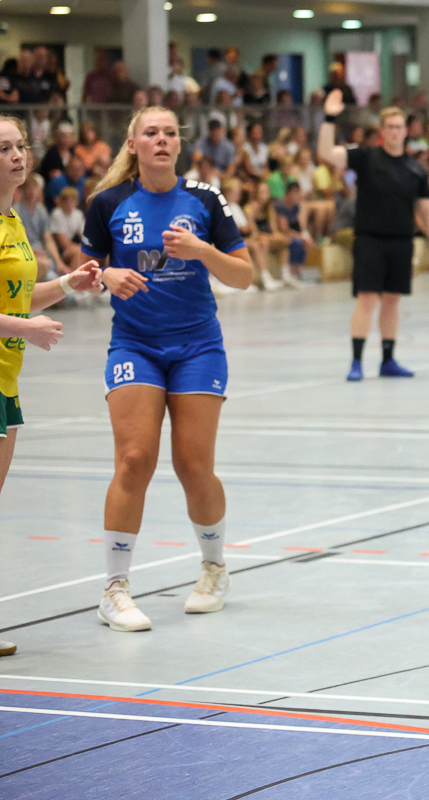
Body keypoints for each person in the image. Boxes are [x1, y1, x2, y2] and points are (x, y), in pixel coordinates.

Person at [82, 106, 253, 632]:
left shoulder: (205, 199)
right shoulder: (108, 203)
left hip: (198, 346)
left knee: (193, 465)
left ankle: (214, 569)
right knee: (134, 458)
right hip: (135, 345)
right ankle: (114, 589)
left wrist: (202, 250)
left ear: (180, 144)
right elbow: (87, 270)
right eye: (151, 132)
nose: (161, 140)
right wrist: (106, 276)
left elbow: (244, 275)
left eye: (170, 133)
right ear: (133, 144)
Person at [0, 115, 102, 657]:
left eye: (19, 145)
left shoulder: (14, 218)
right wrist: (25, 329)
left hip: (6, 379)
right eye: (3, 149)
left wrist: (67, 282)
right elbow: (16, 315)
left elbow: (19, 296)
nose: (17, 155)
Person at [318, 90, 429, 381]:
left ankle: (388, 359)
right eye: (390, 127)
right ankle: (356, 361)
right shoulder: (365, 157)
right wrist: (329, 118)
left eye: (399, 127)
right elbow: (326, 153)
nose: (395, 132)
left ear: (406, 131)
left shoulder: (416, 168)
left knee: (392, 300)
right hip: (370, 240)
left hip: (401, 241)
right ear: (383, 131)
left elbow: (427, 210)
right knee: (367, 299)